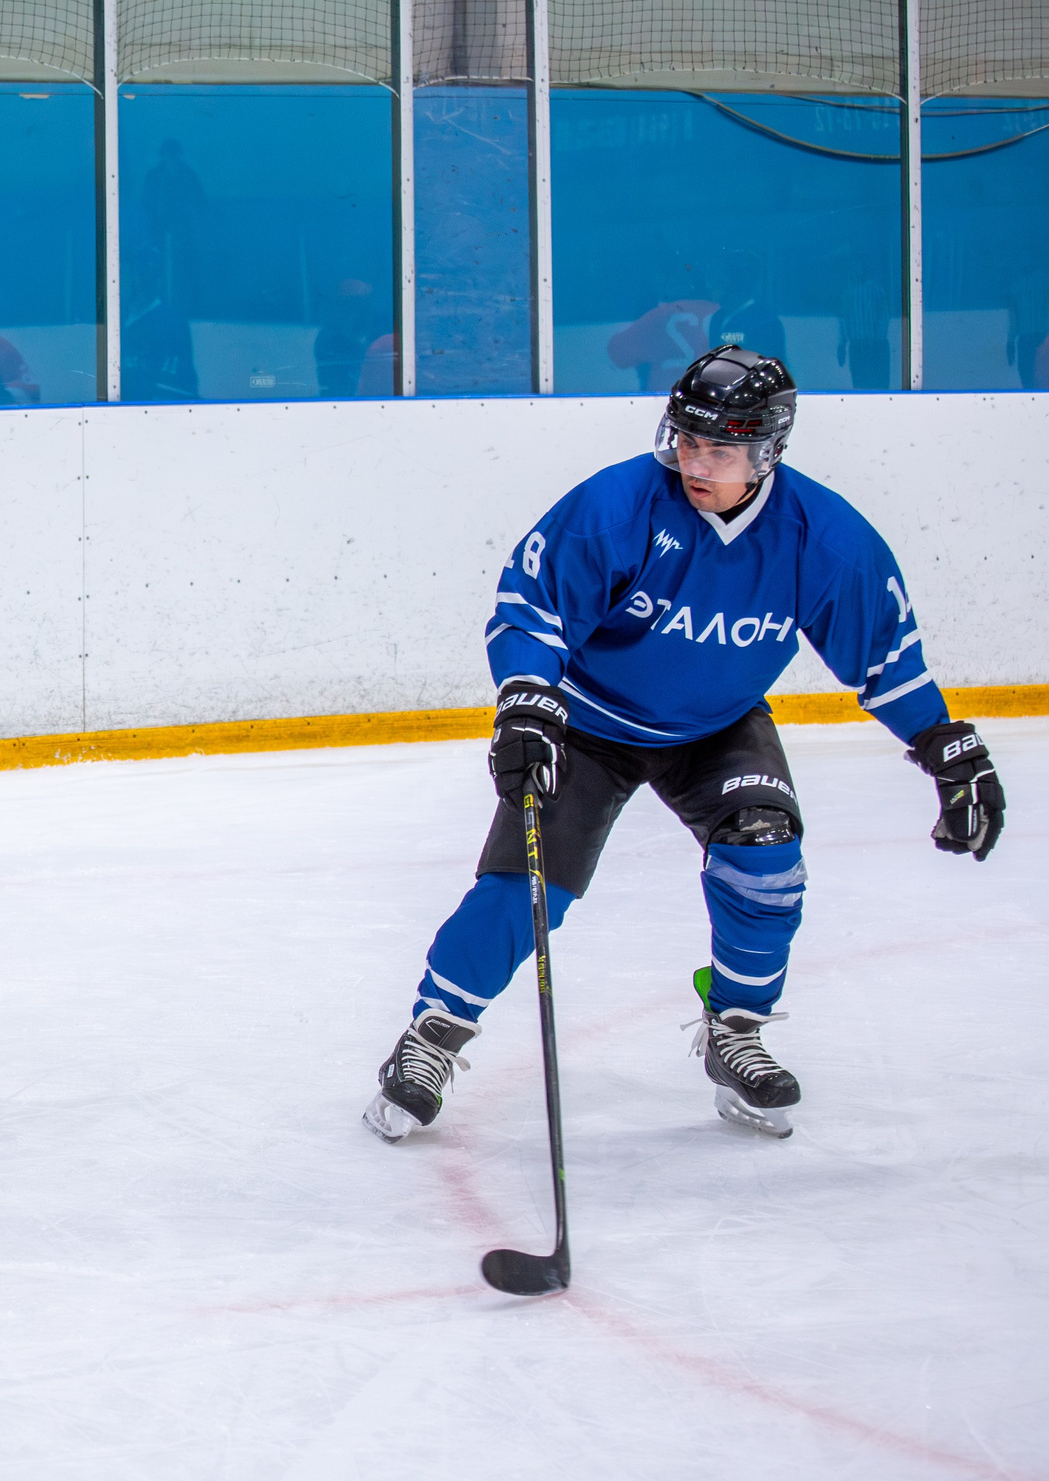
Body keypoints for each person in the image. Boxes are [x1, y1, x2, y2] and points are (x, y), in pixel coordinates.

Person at [364, 345, 1006, 1143]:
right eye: (688, 440)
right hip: (589, 725)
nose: (696, 462)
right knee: (527, 889)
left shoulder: (824, 538)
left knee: (768, 858)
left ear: (769, 450)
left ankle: (736, 1025)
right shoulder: (618, 506)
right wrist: (527, 699)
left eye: (722, 449)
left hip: (718, 727)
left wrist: (949, 747)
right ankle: (432, 1034)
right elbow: (532, 606)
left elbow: (886, 660)